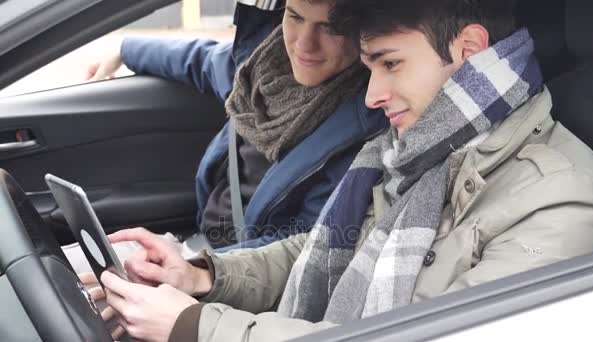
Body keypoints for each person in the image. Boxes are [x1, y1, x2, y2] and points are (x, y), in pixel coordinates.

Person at [96, 0, 593, 341]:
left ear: (467, 50)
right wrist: (206, 276)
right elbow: (330, 244)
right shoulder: (425, 147)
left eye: (390, 64)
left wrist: (196, 326)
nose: (371, 95)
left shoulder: (559, 200)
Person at [63, 0, 388, 277]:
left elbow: (297, 250)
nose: (304, 43)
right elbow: (200, 60)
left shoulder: (364, 128)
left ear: (363, 34)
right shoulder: (262, 68)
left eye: (330, 28)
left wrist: (193, 271)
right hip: (201, 244)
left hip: (241, 274)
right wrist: (125, 49)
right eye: (295, 16)